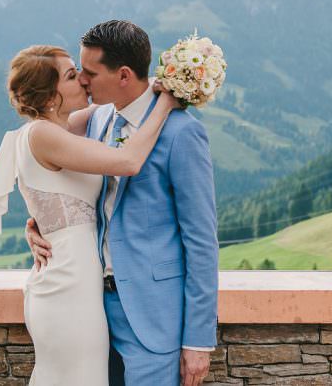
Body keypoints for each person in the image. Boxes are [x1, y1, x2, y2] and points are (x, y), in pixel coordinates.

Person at [26, 20, 218, 386]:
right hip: (92, 311)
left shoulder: (182, 132)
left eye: (90, 72)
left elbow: (202, 241)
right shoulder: (98, 118)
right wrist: (37, 223)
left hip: (154, 317)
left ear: (124, 75)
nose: (82, 80)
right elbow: (43, 154)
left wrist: (198, 340)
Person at [0, 44, 182, 385]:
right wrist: (166, 104)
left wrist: (156, 84)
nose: (84, 81)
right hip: (67, 288)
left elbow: (117, 106)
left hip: (80, 283)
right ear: (47, 96)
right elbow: (128, 162)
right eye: (72, 76)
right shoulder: (42, 133)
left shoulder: (62, 126)